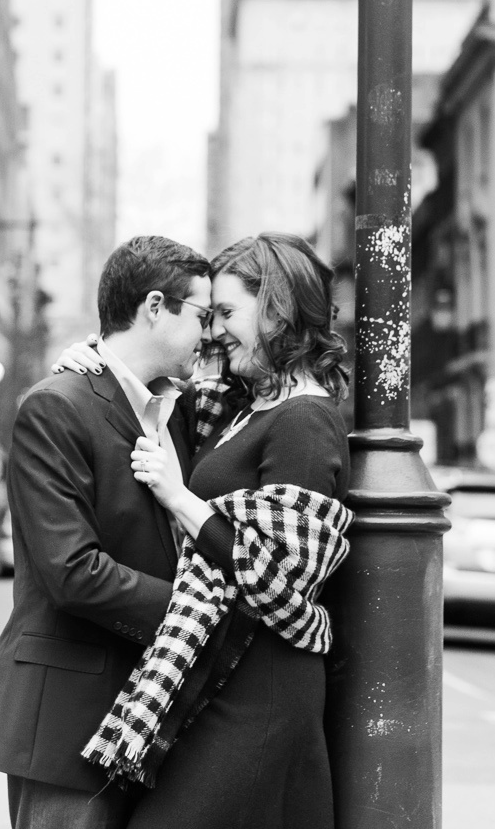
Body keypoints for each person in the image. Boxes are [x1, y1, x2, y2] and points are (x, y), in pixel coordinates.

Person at [89, 232, 354, 829]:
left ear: (277, 309)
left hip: (263, 690)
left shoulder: (306, 422)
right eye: (209, 317)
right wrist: (95, 357)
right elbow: (146, 386)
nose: (213, 331)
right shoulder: (240, 409)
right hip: (223, 675)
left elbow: (279, 584)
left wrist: (180, 497)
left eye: (228, 313)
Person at [0, 235, 214, 829]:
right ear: (155, 308)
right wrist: (199, 614)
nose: (209, 336)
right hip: (67, 723)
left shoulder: (178, 411)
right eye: (203, 317)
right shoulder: (56, 408)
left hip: (147, 719)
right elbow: (71, 572)